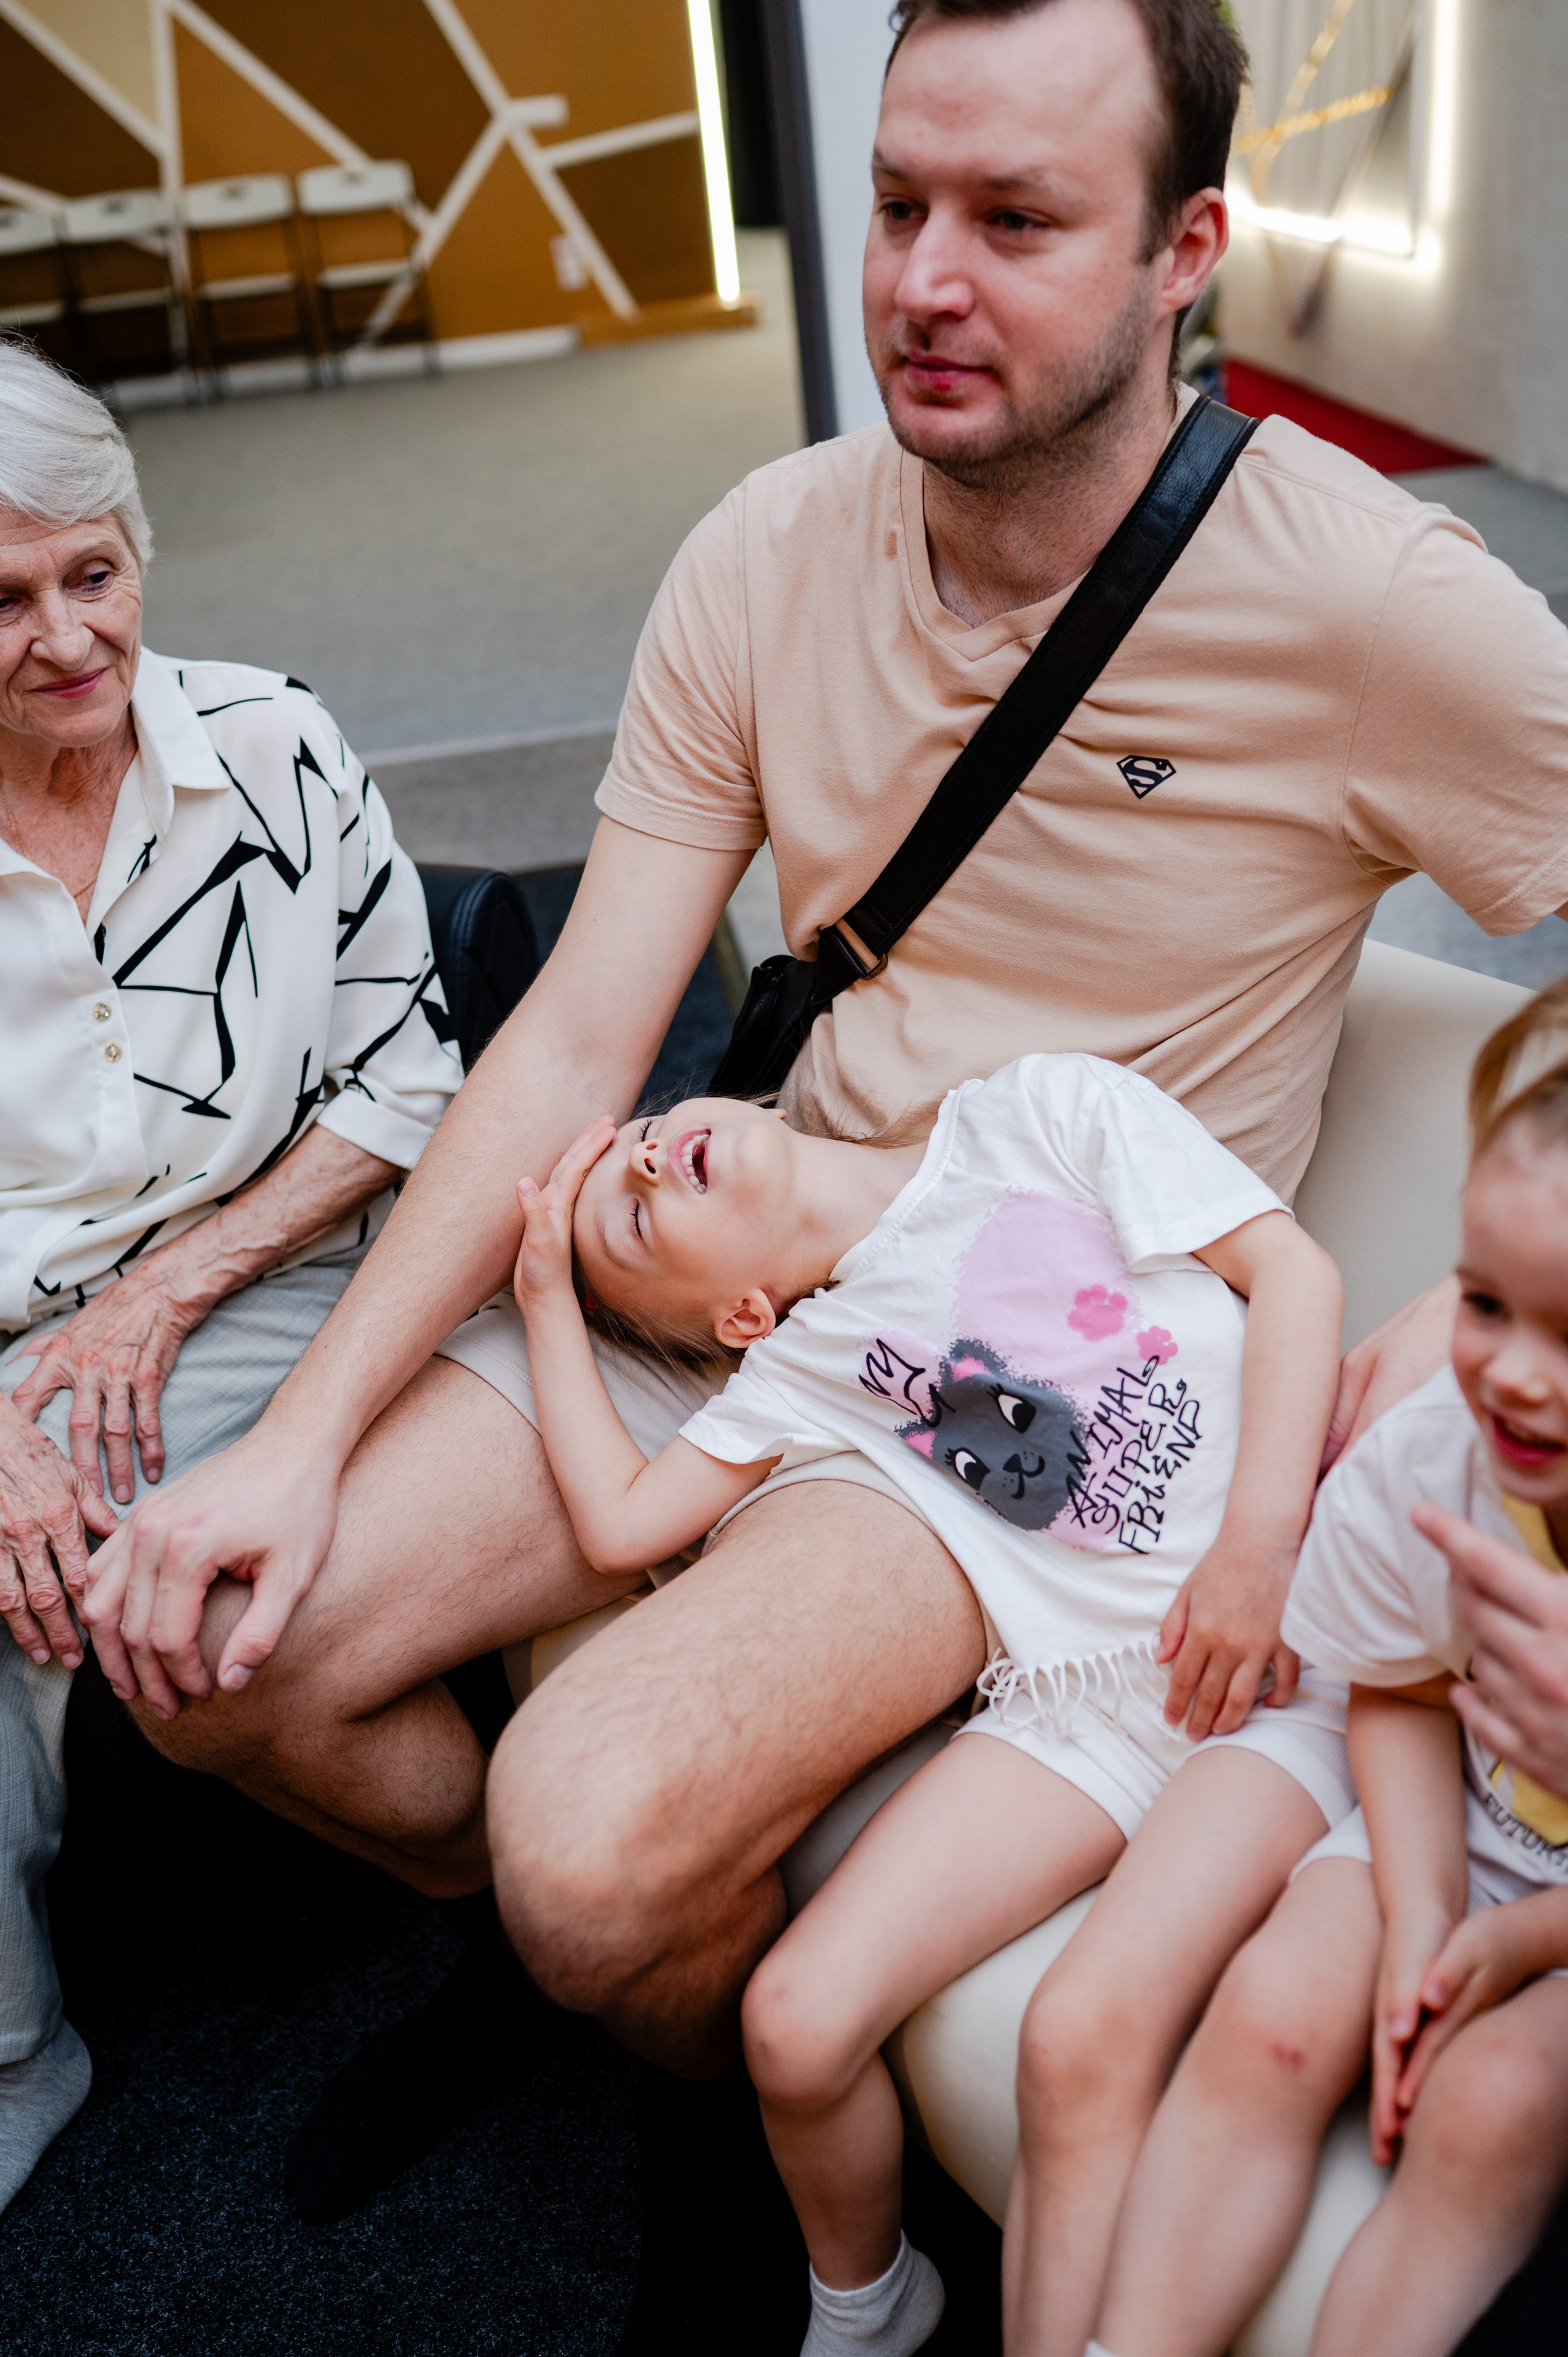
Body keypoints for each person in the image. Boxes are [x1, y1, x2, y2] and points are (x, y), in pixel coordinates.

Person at [76, 0, 1568, 2328]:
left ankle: (676, 1997)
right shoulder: (772, 536)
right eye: (894, 205)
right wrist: (318, 1430)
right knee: (218, 1653)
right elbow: (579, 1024)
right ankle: (676, 1971)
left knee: (587, 1853)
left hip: (1008, 1393)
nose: (921, 281)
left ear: (1190, 247)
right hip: (734, 1252)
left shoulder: (1372, 602)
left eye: (1015, 221)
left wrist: (1472, 1300)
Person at [511, 1062, 1351, 2357]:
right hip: (1103, 1710)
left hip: (1301, 1602)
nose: (640, 1160)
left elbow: (1292, 1274)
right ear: (740, 1313)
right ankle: (866, 2306)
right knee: (789, 2025)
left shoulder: (1035, 1111)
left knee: (1082, 2039)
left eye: (632, 1141)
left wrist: (1256, 1548)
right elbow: (623, 1519)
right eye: (628, 1221)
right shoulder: (799, 1367)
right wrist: (542, 1303)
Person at [0, 339, 459, 2214]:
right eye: (1, 602)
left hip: (276, 1265)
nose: (64, 639)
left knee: (126, 1584)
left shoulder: (271, 744)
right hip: (20, 1345)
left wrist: (165, 1290)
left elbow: (408, 1076)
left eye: (90, 576)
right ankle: (26, 2040)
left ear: (142, 551)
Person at [1085, 979, 1568, 2357]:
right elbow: (1403, 1688)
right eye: (1483, 1302)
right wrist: (1421, 1915)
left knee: (1488, 2110)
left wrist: (1521, 1942)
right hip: (1467, 1821)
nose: (1513, 1379)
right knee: (1272, 2017)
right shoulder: (1435, 1460)